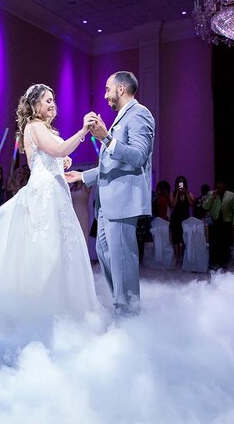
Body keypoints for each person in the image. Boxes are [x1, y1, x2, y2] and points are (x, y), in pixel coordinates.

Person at [0, 83, 98, 319]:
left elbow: (52, 155)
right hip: (45, 193)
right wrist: (83, 132)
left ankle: (62, 305)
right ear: (34, 104)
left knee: (62, 247)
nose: (53, 104)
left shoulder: (45, 129)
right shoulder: (34, 125)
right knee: (46, 246)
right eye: (47, 100)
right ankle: (43, 307)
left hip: (57, 191)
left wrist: (62, 162)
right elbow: (58, 150)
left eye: (53, 100)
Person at [66, 71, 156, 316]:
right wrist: (82, 176)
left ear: (121, 89)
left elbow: (138, 156)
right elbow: (112, 165)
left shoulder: (140, 114)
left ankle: (129, 313)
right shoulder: (120, 119)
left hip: (123, 200)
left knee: (123, 259)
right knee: (106, 256)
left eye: (108, 89)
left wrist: (106, 138)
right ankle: (122, 307)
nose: (105, 95)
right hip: (106, 204)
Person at [202, 180, 234, 270]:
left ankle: (227, 266)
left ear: (224, 186)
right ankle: (214, 267)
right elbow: (205, 206)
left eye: (220, 186)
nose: (219, 187)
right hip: (215, 224)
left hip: (227, 223)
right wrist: (212, 197)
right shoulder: (211, 194)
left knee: (227, 246)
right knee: (214, 246)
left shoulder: (231, 195)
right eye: (217, 186)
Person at [169, 176, 194, 268]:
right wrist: (177, 194)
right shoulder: (173, 193)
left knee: (184, 239)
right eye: (179, 183)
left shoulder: (189, 193)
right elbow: (173, 205)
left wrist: (186, 193)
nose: (181, 184)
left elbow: (192, 204)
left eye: (182, 182)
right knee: (176, 239)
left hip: (185, 218)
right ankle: (177, 259)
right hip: (175, 218)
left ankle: (183, 258)